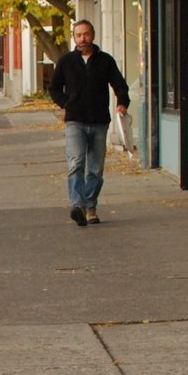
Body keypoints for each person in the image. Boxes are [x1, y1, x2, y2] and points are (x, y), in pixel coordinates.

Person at [49, 19, 130, 227]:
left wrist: (122, 103)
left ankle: (90, 206)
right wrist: (66, 103)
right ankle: (78, 206)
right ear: (74, 38)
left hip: (99, 121)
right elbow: (54, 88)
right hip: (75, 121)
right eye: (78, 35)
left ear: (93, 35)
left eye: (86, 34)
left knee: (95, 168)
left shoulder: (105, 61)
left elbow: (120, 84)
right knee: (76, 162)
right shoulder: (67, 61)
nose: (82, 39)